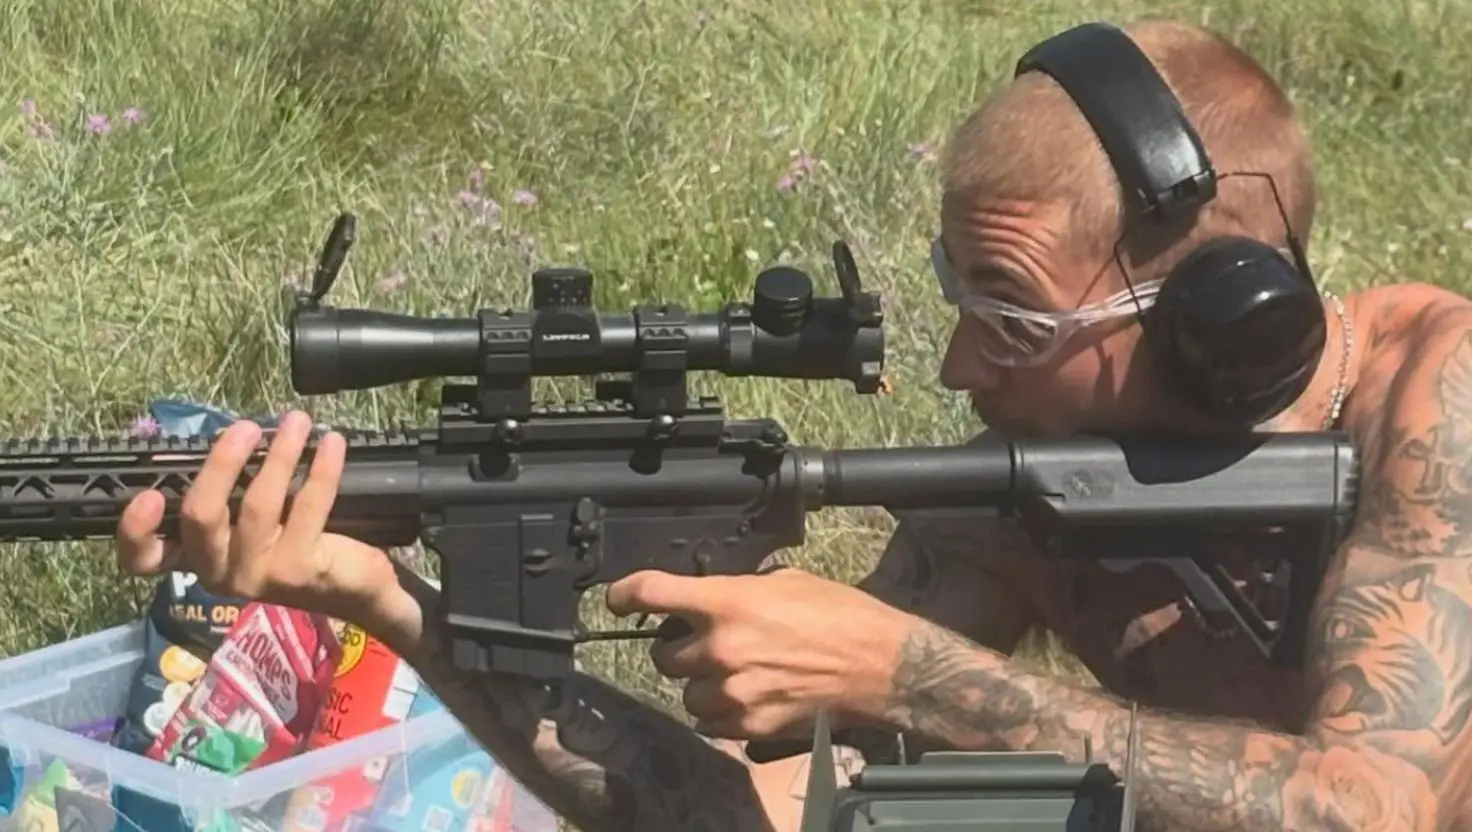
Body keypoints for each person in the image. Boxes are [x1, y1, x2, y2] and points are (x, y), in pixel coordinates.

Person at [113, 18, 1472, 832]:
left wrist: (909, 676)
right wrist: (392, 604)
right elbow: (741, 814)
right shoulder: (1005, 497)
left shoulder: (1439, 399)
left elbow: (1378, 808)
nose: (959, 363)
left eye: (1011, 316)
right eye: (955, 296)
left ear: (1219, 318)